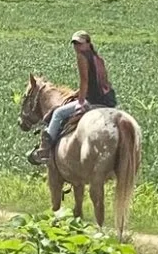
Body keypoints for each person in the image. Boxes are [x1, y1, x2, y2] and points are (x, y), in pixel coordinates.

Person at [39, 30, 116, 162]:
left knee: (58, 113)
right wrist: (78, 92)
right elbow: (103, 82)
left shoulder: (82, 57)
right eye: (75, 44)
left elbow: (85, 81)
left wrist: (80, 101)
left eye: (80, 43)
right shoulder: (98, 59)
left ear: (88, 44)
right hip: (108, 100)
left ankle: (45, 150)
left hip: (92, 100)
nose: (77, 47)